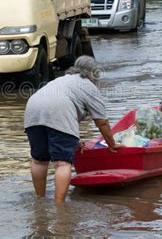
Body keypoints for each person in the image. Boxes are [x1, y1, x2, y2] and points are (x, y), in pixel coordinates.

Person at [24, 56, 120, 203]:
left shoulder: (62, 80)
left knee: (39, 161)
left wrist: (74, 141)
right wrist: (112, 144)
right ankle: (59, 205)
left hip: (32, 109)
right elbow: (102, 122)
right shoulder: (89, 86)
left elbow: (61, 118)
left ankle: (40, 200)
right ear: (95, 73)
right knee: (62, 164)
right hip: (58, 110)